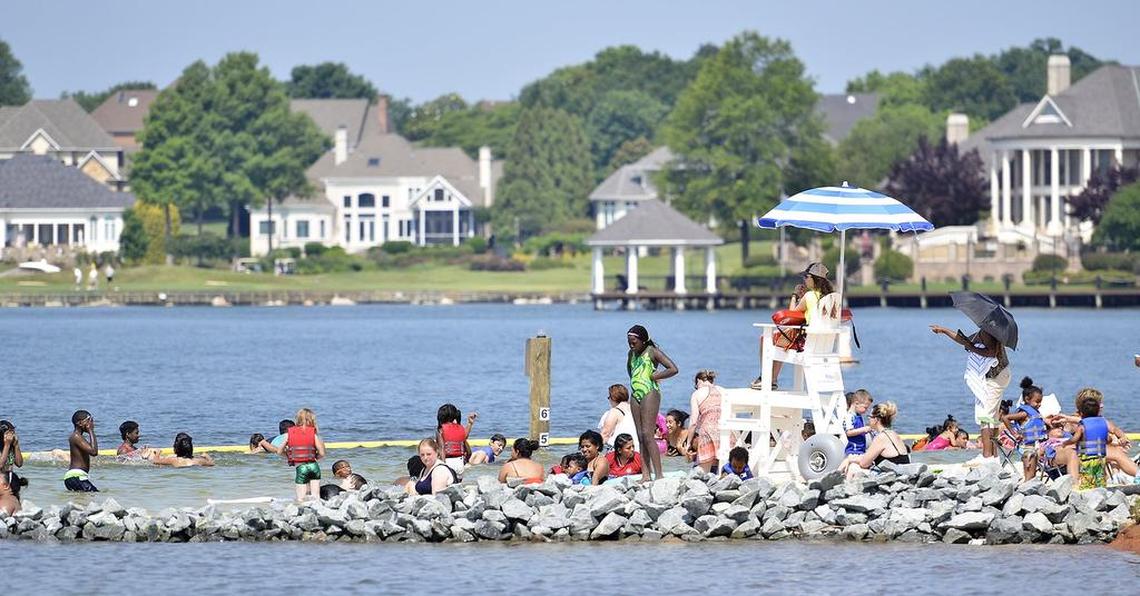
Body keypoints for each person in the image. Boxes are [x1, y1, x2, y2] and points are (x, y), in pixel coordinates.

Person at [929, 323, 1011, 460]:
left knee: (985, 416)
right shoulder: (986, 332)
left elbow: (991, 352)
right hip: (1001, 375)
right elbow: (963, 340)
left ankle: (987, 457)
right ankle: (994, 455)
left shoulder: (989, 332)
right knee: (993, 417)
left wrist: (972, 348)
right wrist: (944, 330)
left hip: (996, 376)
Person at [755, 262, 838, 389]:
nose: (804, 280)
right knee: (781, 338)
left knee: (765, 338)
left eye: (806, 277)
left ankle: (766, 377)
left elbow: (791, 316)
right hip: (823, 345)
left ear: (813, 278)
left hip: (805, 343)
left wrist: (794, 296)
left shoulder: (809, 295)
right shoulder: (832, 298)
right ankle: (772, 379)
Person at [625, 324, 678, 482]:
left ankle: (659, 475)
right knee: (640, 436)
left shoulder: (652, 352)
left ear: (642, 340)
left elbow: (673, 368)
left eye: (634, 341)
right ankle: (646, 475)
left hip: (650, 392)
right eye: (629, 341)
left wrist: (655, 377)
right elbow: (630, 371)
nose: (631, 344)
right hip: (636, 394)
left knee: (648, 434)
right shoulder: (631, 354)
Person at [1060, 390, 1137, 488]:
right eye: (1099, 403)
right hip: (1080, 454)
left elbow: (1110, 433)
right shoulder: (1075, 421)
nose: (1102, 405)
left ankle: (1129, 475)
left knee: (1116, 452)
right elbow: (1076, 437)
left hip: (1094, 453)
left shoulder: (1098, 420)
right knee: (1116, 453)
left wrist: (1119, 439)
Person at [838, 402, 909, 477]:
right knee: (853, 463)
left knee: (853, 467)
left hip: (892, 477)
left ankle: (844, 487)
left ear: (876, 420)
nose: (868, 419)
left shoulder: (881, 437)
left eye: (870, 417)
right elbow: (868, 458)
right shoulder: (893, 434)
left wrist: (849, 460)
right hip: (901, 473)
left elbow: (864, 463)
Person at [1002, 377, 1048, 479]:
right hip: (1026, 447)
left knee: (1033, 471)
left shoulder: (1035, 412)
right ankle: (1027, 485)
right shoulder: (1024, 413)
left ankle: (1031, 486)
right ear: (1027, 399)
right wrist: (1014, 433)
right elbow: (1005, 417)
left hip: (1034, 445)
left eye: (1041, 402)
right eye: (1037, 401)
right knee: (1029, 469)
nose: (1039, 404)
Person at [283, 408, 326, 500]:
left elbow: (279, 451)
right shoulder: (314, 435)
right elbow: (322, 453)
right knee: (316, 497)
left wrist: (287, 455)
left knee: (300, 499)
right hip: (314, 466)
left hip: (301, 468)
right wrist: (315, 458)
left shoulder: (289, 434)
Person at [686, 369, 722, 473]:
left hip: (708, 433)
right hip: (727, 432)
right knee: (722, 469)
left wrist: (688, 444)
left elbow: (693, 422)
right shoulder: (723, 390)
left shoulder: (697, 394)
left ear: (698, 381)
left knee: (703, 472)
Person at [65, 410, 99, 492]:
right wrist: (91, 430)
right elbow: (94, 452)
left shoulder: (78, 437)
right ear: (79, 423)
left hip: (75, 477)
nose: (91, 424)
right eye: (89, 421)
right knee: (95, 494)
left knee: (83, 501)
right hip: (76, 476)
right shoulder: (76, 436)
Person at [599, 384, 640, 453]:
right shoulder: (636, 409)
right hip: (637, 450)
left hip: (619, 451)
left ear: (613, 398)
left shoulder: (615, 411)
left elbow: (605, 434)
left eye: (609, 397)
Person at [436, 404, 474, 476]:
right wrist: (469, 424)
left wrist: (443, 466)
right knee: (458, 485)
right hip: (460, 462)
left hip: (448, 461)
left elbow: (442, 448)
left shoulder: (440, 430)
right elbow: (468, 449)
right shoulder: (461, 428)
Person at [1, 420, 25, 515]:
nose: (12, 435)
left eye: (12, 432)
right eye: (9, 433)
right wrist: (6, 445)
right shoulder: (6, 446)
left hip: (10, 478)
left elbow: (19, 463)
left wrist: (16, 445)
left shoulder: (11, 446)